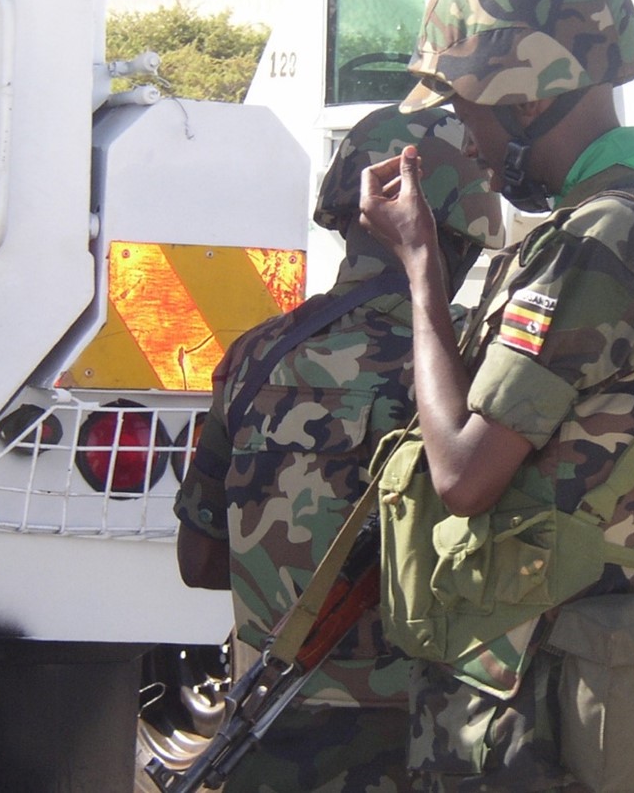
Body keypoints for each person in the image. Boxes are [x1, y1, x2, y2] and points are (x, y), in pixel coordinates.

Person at [358, 0, 634, 793]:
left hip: (536, 686)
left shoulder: (601, 237)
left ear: (525, 96)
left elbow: (465, 475)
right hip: (603, 671)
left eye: (468, 108)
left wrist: (422, 268)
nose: (465, 139)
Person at [172, 104, 504, 793]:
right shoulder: (477, 364)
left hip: (272, 724)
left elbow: (200, 560)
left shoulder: (258, 355)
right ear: (467, 229)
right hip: (433, 731)